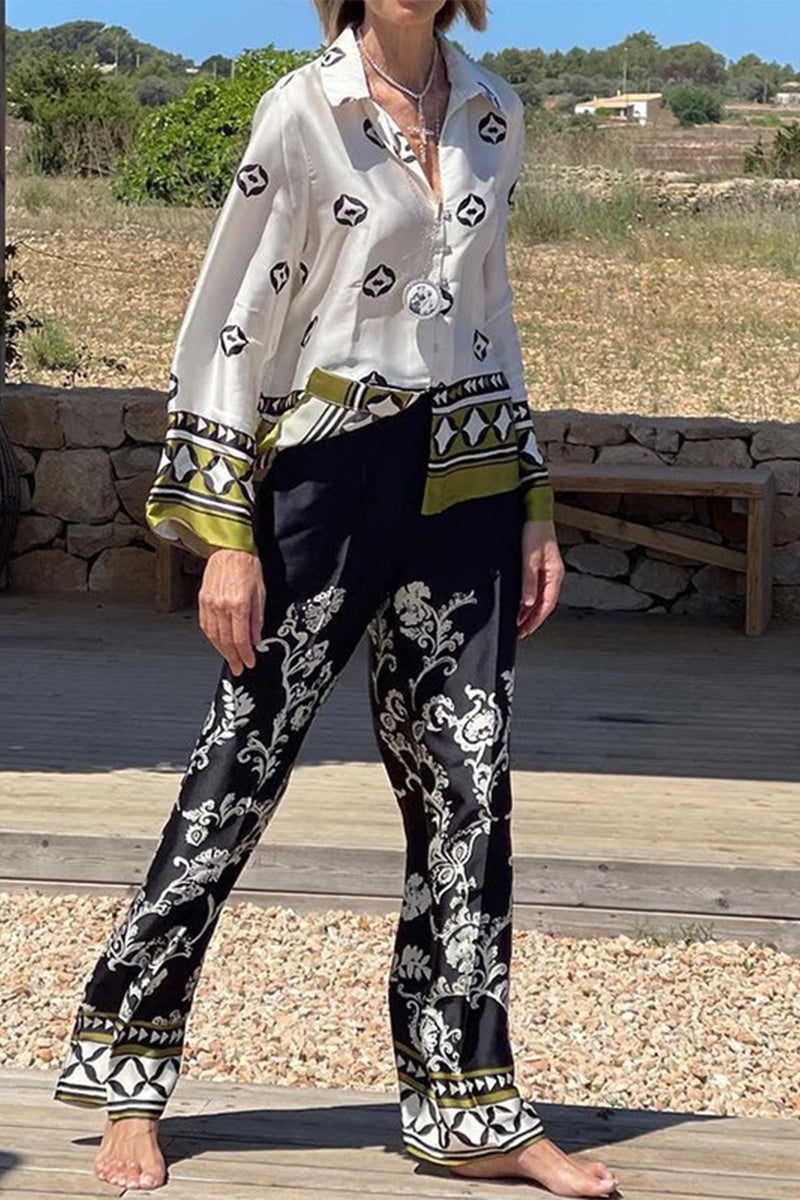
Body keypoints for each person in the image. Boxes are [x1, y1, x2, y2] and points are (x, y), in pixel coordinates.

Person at [52, 1, 618, 1195]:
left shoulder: (493, 112)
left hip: (464, 478)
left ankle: (469, 1111)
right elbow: (231, 319)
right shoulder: (302, 111)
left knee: (468, 790)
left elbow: (491, 311)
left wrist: (531, 499)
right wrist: (226, 535)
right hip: (324, 478)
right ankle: (127, 1076)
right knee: (236, 771)